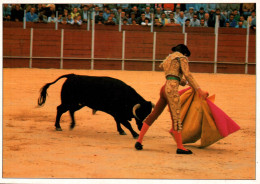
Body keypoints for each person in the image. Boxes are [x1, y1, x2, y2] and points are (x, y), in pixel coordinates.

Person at [135, 44, 208, 154]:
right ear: (184, 53)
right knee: (176, 118)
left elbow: (175, 76)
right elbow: (187, 74)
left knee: (153, 115)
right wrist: (199, 90)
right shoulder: (182, 58)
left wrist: (188, 85)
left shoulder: (168, 59)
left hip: (164, 88)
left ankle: (139, 141)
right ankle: (180, 147)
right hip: (172, 89)